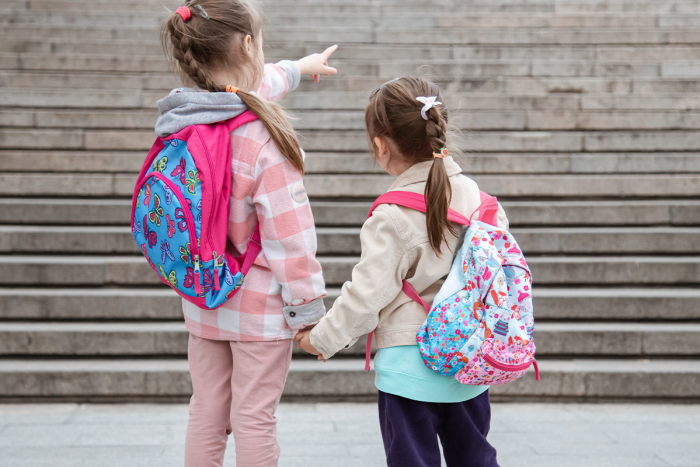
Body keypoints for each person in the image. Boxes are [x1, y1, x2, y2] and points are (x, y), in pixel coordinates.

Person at [158, 1, 336, 465]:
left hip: (204, 299)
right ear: (250, 45)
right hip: (259, 311)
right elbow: (290, 237)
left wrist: (298, 68)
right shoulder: (263, 140)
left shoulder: (183, 122)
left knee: (206, 411)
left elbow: (255, 83)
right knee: (254, 416)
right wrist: (307, 311)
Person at [295, 76, 506, 467]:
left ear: (380, 145)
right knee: (476, 457)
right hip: (469, 360)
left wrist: (321, 339)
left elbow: (366, 295)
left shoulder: (392, 215)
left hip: (409, 370)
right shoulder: (481, 200)